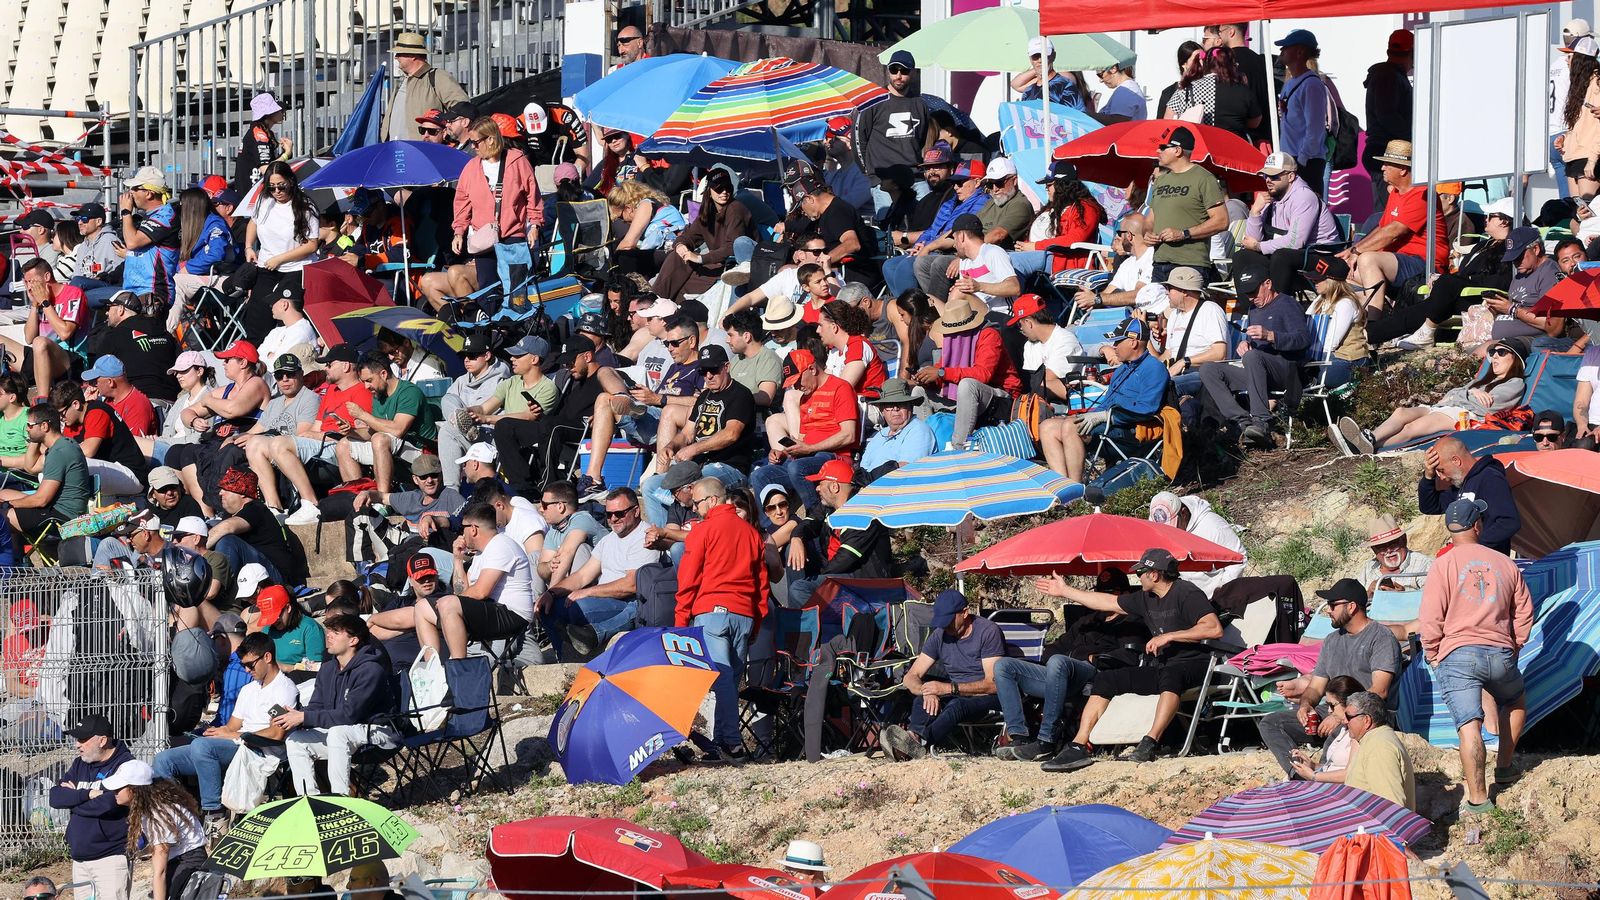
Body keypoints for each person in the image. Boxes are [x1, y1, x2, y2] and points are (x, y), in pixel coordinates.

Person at [1032, 548, 1224, 771]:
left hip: (1196, 665)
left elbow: (1213, 628)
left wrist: (1169, 636)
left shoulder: (1187, 593)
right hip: (1163, 666)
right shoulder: (1146, 598)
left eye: (1141, 572)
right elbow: (1107, 602)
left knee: (1171, 675)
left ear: (1154, 574)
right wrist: (1066, 591)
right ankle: (1078, 745)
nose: (1137, 577)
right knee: (1107, 680)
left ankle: (1149, 743)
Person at [1421, 497, 1534, 813]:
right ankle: (1506, 766)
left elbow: (1431, 616)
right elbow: (1524, 609)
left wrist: (1432, 653)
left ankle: (1478, 800)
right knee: (1514, 700)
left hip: (1457, 654)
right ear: (1477, 525)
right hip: (1499, 651)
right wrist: (1517, 644)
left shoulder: (1443, 564)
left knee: (1469, 724)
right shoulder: (1504, 562)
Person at [1257, 578, 1402, 778]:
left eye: (1333, 605)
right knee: (1270, 723)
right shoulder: (1332, 640)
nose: (1328, 610)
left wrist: (1341, 715)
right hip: (1333, 711)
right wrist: (1306, 705)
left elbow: (1380, 690)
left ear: (1351, 607)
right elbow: (1316, 686)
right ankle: (1299, 774)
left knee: (1339, 732)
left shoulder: (1380, 638)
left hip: (1366, 716)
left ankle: (1323, 777)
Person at [153, 631, 295, 826]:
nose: (246, 671)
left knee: (203, 747)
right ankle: (178, 820)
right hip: (239, 743)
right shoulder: (249, 689)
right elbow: (232, 725)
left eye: (250, 665)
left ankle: (215, 815)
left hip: (258, 750)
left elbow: (276, 733)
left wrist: (232, 735)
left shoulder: (283, 689)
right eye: (244, 665)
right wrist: (219, 733)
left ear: (268, 657)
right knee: (164, 759)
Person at [675, 478, 768, 761]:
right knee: (729, 680)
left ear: (712, 500)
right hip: (744, 616)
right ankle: (721, 745)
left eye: (697, 503)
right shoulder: (752, 534)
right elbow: (761, 584)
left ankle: (731, 744)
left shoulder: (703, 532)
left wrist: (680, 623)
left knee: (722, 678)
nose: (695, 510)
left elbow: (688, 580)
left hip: (712, 613)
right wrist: (757, 622)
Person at [277, 614, 399, 795]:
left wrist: (305, 717)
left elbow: (350, 715)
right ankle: (310, 800)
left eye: (336, 632)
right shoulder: (327, 669)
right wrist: (296, 716)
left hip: (379, 731)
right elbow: (317, 705)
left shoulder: (371, 669)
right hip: (345, 733)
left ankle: (340, 801)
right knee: (296, 740)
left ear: (353, 640)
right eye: (328, 631)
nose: (329, 635)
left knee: (337, 733)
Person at [1339, 337, 1527, 453]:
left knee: (1412, 428)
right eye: (1493, 352)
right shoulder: (1482, 381)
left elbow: (1489, 406)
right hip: (1447, 407)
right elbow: (1455, 392)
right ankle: (1368, 439)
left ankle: (1370, 447)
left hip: (1463, 415)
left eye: (1501, 352)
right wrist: (1471, 391)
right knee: (1401, 412)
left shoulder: (1515, 383)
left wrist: (1465, 394)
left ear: (1516, 359)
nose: (1494, 357)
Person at [1038, 318, 1169, 484]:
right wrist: (1090, 415)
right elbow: (1106, 402)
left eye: (1118, 341)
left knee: (1071, 427)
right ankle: (1063, 487)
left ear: (1133, 343)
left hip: (1130, 432)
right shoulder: (1122, 369)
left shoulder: (1154, 368)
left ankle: (1075, 490)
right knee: (1047, 426)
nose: (1114, 346)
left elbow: (1147, 408)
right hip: (1109, 427)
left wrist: (1106, 416)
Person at [878, 589, 1004, 760]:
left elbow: (993, 684)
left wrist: (947, 688)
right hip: (956, 692)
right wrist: (927, 690)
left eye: (949, 621)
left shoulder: (988, 631)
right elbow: (910, 676)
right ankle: (913, 738)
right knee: (923, 696)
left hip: (988, 696)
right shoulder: (940, 635)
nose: (945, 626)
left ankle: (921, 743)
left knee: (957, 706)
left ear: (965, 613)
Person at [1199, 263, 1312, 448]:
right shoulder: (1253, 309)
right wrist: (1246, 344)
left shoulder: (1287, 304)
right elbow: (1255, 346)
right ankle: (1243, 422)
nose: (1252, 298)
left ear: (1267, 283)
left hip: (1286, 371)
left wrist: (1271, 336)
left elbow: (1303, 340)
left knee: (1253, 358)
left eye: (1254, 291)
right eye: (1247, 294)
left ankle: (1262, 422)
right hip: (1257, 372)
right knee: (1209, 369)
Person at [540, 488, 660, 660]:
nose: (613, 519)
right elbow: (582, 576)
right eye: (608, 514)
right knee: (546, 608)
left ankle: (582, 648)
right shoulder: (608, 539)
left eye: (619, 513)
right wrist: (551, 593)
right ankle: (563, 660)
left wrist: (588, 592)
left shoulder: (645, 537)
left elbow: (631, 585)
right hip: (605, 600)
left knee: (577, 608)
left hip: (628, 602)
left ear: (636, 511)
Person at [1338, 141, 1449, 319]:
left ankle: (1374, 323)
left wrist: (1358, 250)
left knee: (1368, 258)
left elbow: (1393, 232)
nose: (1382, 167)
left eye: (1387, 164)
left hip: (1427, 265)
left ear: (1403, 169)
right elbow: (1382, 227)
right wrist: (1352, 251)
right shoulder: (1397, 193)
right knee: (1340, 272)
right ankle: (1375, 316)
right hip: (1398, 262)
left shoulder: (1423, 192)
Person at [418, 502, 536, 659]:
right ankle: (433, 667)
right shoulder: (481, 554)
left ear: (473, 529)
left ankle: (460, 667)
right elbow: (461, 592)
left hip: (512, 614)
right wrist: (458, 559)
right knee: (422, 608)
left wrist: (449, 601)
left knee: (448, 604)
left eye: (463, 528)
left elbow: (481, 591)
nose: (461, 533)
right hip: (490, 608)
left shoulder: (501, 544)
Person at [753, 346, 859, 515]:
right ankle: (772, 531)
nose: (796, 386)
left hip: (833, 455)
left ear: (812, 368)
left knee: (797, 468)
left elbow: (849, 434)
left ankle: (816, 517)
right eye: (792, 382)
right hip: (808, 455)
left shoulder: (840, 388)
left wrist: (811, 448)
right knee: (760, 475)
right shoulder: (805, 398)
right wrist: (785, 452)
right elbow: (804, 438)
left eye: (798, 380)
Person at [911, 297, 1021, 447]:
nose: (950, 334)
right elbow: (942, 369)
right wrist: (927, 380)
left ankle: (959, 447)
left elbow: (983, 374)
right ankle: (924, 446)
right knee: (919, 391)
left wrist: (941, 373)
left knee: (967, 385)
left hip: (1001, 397)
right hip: (966, 396)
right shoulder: (952, 339)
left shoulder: (989, 335)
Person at [51, 714, 140, 900]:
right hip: (79, 859)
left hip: (109, 859)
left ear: (102, 740)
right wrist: (87, 795)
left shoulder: (125, 765)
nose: (77, 744)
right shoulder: (79, 764)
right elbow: (56, 797)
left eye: (83, 739)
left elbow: (108, 804)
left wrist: (74, 800)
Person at [453, 116, 542, 294]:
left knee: (517, 290)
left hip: (513, 236)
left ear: (491, 139)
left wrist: (534, 225)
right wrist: (458, 232)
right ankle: (492, 320)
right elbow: (462, 203)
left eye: (476, 142)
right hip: (484, 238)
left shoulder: (517, 161)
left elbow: (533, 197)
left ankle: (517, 320)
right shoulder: (470, 168)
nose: (473, 147)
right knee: (488, 288)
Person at [332, 351, 437, 498]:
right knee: (343, 445)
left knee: (380, 440)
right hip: (394, 446)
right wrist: (351, 432)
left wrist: (363, 415)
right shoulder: (379, 394)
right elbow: (373, 430)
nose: (366, 386)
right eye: (363, 382)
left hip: (421, 450)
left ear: (383, 374)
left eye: (369, 380)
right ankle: (357, 499)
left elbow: (398, 429)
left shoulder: (409, 392)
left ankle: (383, 499)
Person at [242, 161, 319, 342]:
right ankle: (256, 361)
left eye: (281, 186)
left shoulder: (305, 207)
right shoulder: (264, 200)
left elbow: (311, 245)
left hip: (296, 268)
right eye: (272, 187)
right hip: (267, 267)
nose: (277, 191)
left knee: (289, 315)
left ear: (291, 182)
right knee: (258, 318)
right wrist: (248, 246)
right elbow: (253, 222)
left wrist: (280, 259)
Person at [855, 50, 934, 226]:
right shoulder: (873, 101)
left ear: (913, 72)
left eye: (904, 71)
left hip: (915, 177)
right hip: (884, 179)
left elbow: (920, 138)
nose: (898, 75)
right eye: (894, 70)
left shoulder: (920, 103)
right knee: (889, 226)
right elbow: (859, 138)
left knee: (926, 221)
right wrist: (870, 173)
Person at [655, 168, 752, 300]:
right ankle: (656, 301)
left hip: (733, 264)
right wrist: (680, 245)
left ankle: (659, 304)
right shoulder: (708, 210)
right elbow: (689, 235)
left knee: (682, 296)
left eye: (727, 187)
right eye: (719, 188)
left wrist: (700, 258)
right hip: (714, 262)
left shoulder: (735, 209)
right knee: (676, 257)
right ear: (709, 191)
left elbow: (733, 247)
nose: (724, 192)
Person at [1146, 127, 1229, 284]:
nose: (1158, 150)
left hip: (1190, 264)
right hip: (1160, 263)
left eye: (1163, 147)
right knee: (1156, 309)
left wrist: (1183, 233)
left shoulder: (1204, 178)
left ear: (1178, 150)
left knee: (1184, 309)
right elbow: (1150, 219)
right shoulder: (1161, 180)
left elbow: (1222, 221)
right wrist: (1147, 233)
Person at [0, 403, 93, 541]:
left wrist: (8, 504)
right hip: (55, 508)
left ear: (44, 426)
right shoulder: (60, 446)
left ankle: (9, 560)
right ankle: (18, 558)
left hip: (61, 518)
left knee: (2, 516)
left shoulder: (60, 452)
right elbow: (30, 467)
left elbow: (42, 500)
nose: (26, 429)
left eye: (30, 425)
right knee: (3, 493)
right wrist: (34, 438)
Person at [1416, 436, 1523, 556]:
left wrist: (1473, 546)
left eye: (1441, 470)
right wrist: (1428, 477)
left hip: (1490, 563)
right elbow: (1430, 506)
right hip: (1471, 562)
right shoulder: (1461, 485)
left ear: (1456, 460)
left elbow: (1508, 522)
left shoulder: (1490, 478)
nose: (1441, 477)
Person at [0, 259, 89, 400]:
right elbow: (29, 337)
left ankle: (43, 400)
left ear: (47, 277)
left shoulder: (73, 293)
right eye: (27, 282)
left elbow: (65, 333)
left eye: (32, 281)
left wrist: (46, 304)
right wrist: (35, 305)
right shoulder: (39, 300)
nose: (29, 287)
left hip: (70, 361)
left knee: (40, 342)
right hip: (40, 355)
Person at [210, 468, 311, 589]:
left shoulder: (255, 509)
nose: (220, 493)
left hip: (276, 577)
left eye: (225, 489)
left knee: (227, 540)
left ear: (241, 492)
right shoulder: (230, 514)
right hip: (255, 575)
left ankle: (221, 591)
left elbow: (227, 527)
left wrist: (195, 549)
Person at [1009, 160, 1106, 282]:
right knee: (999, 258)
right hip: (1042, 255)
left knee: (1011, 263)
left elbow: (1073, 239)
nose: (1046, 188)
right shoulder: (1052, 207)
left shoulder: (1086, 208)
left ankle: (1011, 298)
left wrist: (1036, 246)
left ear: (1062, 184)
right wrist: (1025, 245)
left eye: (1049, 184)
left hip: (1062, 260)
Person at [51, 380, 148, 497]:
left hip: (132, 474)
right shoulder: (71, 423)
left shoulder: (97, 411)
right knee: (52, 469)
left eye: (62, 413)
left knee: (77, 464)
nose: (61, 418)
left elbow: (88, 451)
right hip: (110, 472)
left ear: (75, 404)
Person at [1155, 267, 1228, 418]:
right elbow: (1169, 352)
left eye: (1169, 288)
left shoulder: (1210, 310)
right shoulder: (1174, 314)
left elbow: (1220, 353)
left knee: (1164, 386)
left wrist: (1184, 361)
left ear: (1185, 291)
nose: (1166, 292)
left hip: (1203, 373)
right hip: (1178, 372)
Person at [1242, 154, 1342, 262]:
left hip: (1321, 255)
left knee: (1280, 257)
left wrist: (1259, 246)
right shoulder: (1271, 197)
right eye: (1265, 176)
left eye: (1274, 176)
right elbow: (1251, 242)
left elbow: (1295, 243)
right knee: (1242, 256)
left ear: (1290, 176)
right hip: (1290, 255)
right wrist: (1254, 212)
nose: (1268, 180)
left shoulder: (1303, 197)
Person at [1146, 491, 1247, 597]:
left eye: (1173, 527)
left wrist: (1222, 590)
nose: (1171, 533)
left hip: (1217, 594)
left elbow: (1239, 558)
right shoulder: (1158, 519)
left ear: (1184, 513)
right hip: (1188, 594)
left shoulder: (1213, 527)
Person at [89, 290, 179, 404]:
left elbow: (97, 374)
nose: (107, 313)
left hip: (138, 403)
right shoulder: (164, 332)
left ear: (121, 309)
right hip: (172, 402)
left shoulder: (114, 336)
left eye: (109, 307)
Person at [1485, 226, 1567, 348]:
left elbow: (1553, 326)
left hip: (1531, 342)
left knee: (1480, 353)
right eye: (1512, 258)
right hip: (1505, 341)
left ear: (1536, 249)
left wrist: (1512, 309)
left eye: (1518, 256)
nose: (1515, 262)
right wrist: (1498, 310)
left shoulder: (1550, 273)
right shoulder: (1521, 274)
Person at [383, 32, 468, 141]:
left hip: (423, 150)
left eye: (399, 53)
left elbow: (463, 108)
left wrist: (446, 131)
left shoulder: (438, 77)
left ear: (412, 56)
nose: (396, 57)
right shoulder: (402, 82)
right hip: (395, 151)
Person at [1164, 47, 1261, 143]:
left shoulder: (1187, 88)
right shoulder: (1242, 90)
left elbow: (1168, 120)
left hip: (1198, 149)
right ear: (1231, 65)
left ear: (1204, 63)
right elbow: (1255, 122)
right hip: (1233, 148)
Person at [1274, 31, 1330, 196]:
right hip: (1292, 158)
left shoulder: (1311, 84)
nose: (1281, 51)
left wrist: (1302, 160)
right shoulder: (1291, 83)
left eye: (1286, 47)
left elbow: (1315, 127)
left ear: (1300, 52)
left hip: (1305, 161)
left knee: (1308, 209)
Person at [1075, 213, 1163, 317]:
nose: (1117, 237)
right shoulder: (1127, 263)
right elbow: (1109, 291)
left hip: (1152, 319)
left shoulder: (1153, 258)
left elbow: (1139, 295)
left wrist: (1097, 299)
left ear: (1129, 236)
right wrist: (1090, 298)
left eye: (1119, 233)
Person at [116, 166, 181, 304]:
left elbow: (132, 242)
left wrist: (126, 212)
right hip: (135, 291)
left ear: (149, 193)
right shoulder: (151, 216)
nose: (130, 193)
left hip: (153, 294)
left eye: (135, 188)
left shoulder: (165, 216)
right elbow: (148, 252)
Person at [1365, 31, 1415, 209]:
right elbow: (1387, 115)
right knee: (1388, 212)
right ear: (1412, 53)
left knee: (1390, 210)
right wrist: (1410, 138)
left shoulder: (1389, 75)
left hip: (1388, 153)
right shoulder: (1388, 75)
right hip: (1387, 154)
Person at [1286, 675, 1365, 785]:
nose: (1329, 711)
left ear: (1348, 704)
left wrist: (1313, 776)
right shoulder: (1344, 729)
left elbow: (1350, 773)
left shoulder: (1359, 733)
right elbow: (1334, 768)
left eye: (1332, 705)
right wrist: (1312, 765)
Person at [1203, 23, 1271, 143]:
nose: (1219, 36)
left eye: (1220, 31)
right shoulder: (1261, 61)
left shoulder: (1228, 64)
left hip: (1241, 136)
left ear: (1231, 32)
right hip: (1265, 133)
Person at [860, 379, 936, 477]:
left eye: (901, 404)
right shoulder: (879, 435)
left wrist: (869, 479)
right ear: (882, 410)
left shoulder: (920, 430)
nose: (895, 409)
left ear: (911, 407)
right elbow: (863, 469)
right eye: (889, 405)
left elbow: (906, 470)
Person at [1560, 35, 1600, 199]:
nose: (1566, 60)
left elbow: (1597, 127)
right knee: (1579, 214)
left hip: (1589, 156)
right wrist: (1565, 138)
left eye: (1570, 56)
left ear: (1580, 60)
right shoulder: (1579, 86)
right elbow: (1582, 123)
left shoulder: (1597, 82)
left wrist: (1593, 158)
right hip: (1573, 157)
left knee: (1589, 213)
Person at [80, 354, 157, 437]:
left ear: (110, 382)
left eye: (95, 382)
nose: (92, 385)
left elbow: (132, 445)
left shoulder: (138, 405)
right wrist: (89, 405)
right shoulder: (108, 400)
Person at [233, 92, 292, 193]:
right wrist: (286, 154)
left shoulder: (261, 131)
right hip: (251, 197)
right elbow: (268, 170)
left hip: (253, 194)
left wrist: (284, 153)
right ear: (268, 113)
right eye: (280, 110)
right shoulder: (259, 134)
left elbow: (269, 164)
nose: (283, 112)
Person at [1359, 516, 1430, 594]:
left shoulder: (1423, 564)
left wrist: (1401, 597)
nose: (1388, 550)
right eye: (1381, 547)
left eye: (1393, 544)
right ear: (1374, 550)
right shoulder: (1369, 567)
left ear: (1404, 540)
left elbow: (1432, 598)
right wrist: (1368, 594)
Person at [1012, 37, 1087, 110]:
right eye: (1035, 56)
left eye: (1044, 55)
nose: (1040, 60)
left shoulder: (1066, 86)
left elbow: (1077, 118)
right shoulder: (1028, 91)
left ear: (1053, 56)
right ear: (1030, 59)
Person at [1576, 344, 1600, 448]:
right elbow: (1581, 401)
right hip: (1593, 423)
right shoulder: (1592, 353)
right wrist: (1582, 425)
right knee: (1584, 445)